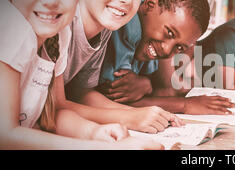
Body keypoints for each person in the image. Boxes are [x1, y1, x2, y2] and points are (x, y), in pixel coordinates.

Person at [0, 0, 163, 150]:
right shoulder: (11, 26)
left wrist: (92, 132)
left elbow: (53, 111)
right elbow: (5, 136)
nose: (51, 2)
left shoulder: (60, 34)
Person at [60, 0, 184, 134]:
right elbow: (54, 107)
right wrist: (128, 117)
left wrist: (143, 114)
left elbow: (81, 93)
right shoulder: (59, 23)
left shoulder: (105, 28)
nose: (126, 1)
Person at [96, 0, 235, 115]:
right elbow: (114, 100)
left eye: (179, 47)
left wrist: (146, 84)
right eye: (169, 33)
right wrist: (185, 105)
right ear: (149, 5)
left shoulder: (147, 42)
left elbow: (154, 85)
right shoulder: (131, 27)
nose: (167, 49)